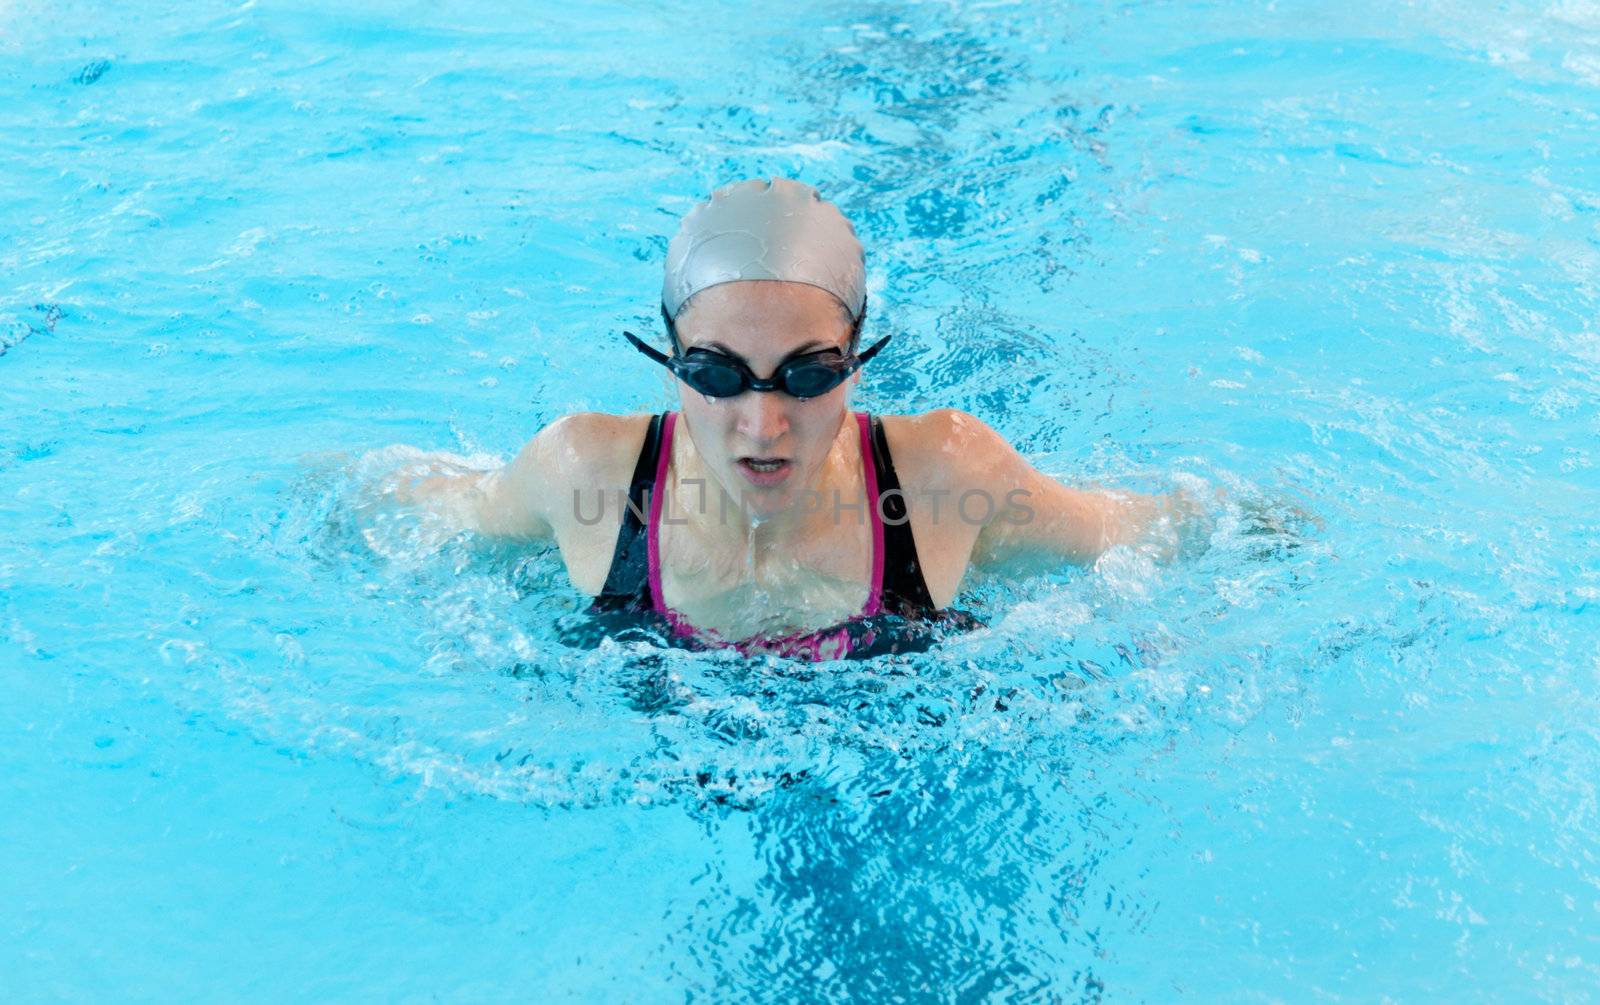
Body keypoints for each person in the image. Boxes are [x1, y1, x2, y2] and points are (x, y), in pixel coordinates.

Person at [386, 178, 1199, 660]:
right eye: (716, 374)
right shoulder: (585, 477)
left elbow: (1147, 535)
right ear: (670, 357)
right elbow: (419, 510)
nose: (762, 423)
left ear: (856, 357)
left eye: (808, 374)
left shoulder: (946, 478)